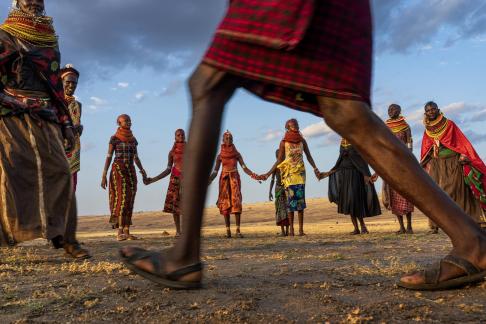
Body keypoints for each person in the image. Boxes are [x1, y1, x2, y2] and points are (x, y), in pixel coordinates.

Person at [121, 1, 486, 291]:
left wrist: (308, 167)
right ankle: (470, 239)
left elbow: (293, 154)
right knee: (344, 110)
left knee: (209, 81)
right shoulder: (282, 142)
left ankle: (184, 256)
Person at [0, 0, 89, 259]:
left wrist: (66, 125)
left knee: (61, 172)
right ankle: (7, 236)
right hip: (10, 114)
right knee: (10, 173)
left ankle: (66, 238)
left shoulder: (50, 41)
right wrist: (16, 101)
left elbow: (55, 88)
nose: (35, 3)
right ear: (17, 2)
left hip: (46, 114)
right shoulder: (4, 34)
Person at [421, 101, 486, 234]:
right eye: (428, 110)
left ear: (438, 110)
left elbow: (461, 142)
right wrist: (422, 163)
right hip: (436, 164)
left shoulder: (449, 124)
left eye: (433, 109)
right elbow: (426, 148)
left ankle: (469, 221)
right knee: (434, 192)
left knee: (454, 190)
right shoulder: (427, 129)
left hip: (453, 162)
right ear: (425, 113)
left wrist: (463, 155)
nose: (431, 112)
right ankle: (435, 225)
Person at [262, 119, 320, 236]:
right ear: (287, 128)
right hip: (288, 175)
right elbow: (279, 160)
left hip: (300, 174)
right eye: (293, 125)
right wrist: (268, 174)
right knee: (290, 202)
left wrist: (315, 168)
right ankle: (292, 230)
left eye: (297, 125)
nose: (296, 126)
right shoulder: (283, 142)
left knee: (300, 202)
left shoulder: (302, 140)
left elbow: (309, 156)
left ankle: (301, 230)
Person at [320, 139, 381, 234]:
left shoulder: (356, 141)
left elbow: (362, 159)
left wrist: (366, 174)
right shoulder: (342, 143)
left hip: (356, 175)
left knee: (355, 201)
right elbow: (339, 160)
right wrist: (330, 172)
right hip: (344, 176)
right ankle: (356, 228)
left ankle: (363, 227)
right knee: (348, 203)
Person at [101, 114, 147, 241]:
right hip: (118, 169)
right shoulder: (114, 138)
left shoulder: (133, 140)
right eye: (125, 121)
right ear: (119, 123)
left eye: (129, 120)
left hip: (131, 171)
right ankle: (119, 231)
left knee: (130, 199)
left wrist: (142, 171)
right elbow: (109, 156)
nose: (128, 122)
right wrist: (104, 174)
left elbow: (136, 157)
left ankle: (127, 231)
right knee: (122, 198)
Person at [208, 131, 259, 238]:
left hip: (234, 179)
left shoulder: (236, 154)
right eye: (226, 138)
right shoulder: (220, 155)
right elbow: (215, 171)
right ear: (223, 140)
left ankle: (238, 230)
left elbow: (244, 168)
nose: (229, 140)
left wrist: (254, 176)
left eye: (230, 138)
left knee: (236, 203)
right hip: (224, 180)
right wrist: (209, 180)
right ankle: (228, 231)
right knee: (225, 204)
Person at [144, 129, 186, 237]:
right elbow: (168, 170)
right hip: (175, 179)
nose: (181, 136)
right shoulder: (171, 153)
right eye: (178, 135)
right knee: (175, 207)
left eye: (182, 134)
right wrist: (153, 180)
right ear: (175, 137)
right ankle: (178, 231)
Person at [382, 104, 414, 234]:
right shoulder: (385, 127)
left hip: (403, 163)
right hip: (391, 164)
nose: (390, 111)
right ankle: (401, 227)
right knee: (393, 194)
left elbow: (410, 143)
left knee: (405, 194)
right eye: (389, 109)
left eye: (393, 109)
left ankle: (409, 226)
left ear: (399, 111)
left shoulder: (405, 126)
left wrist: (407, 158)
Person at [61, 64, 83, 192]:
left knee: (70, 189)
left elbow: (78, 126)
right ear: (61, 82)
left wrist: (80, 128)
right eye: (68, 82)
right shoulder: (54, 102)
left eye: (74, 84)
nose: (71, 86)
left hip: (73, 152)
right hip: (57, 149)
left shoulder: (78, 105)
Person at [269, 149, 289, 236]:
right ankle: (283, 231)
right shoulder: (275, 166)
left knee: (288, 209)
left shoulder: (287, 165)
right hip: (278, 188)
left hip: (287, 188)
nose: (281, 156)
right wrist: (269, 191)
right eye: (279, 155)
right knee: (279, 209)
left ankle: (288, 231)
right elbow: (272, 179)